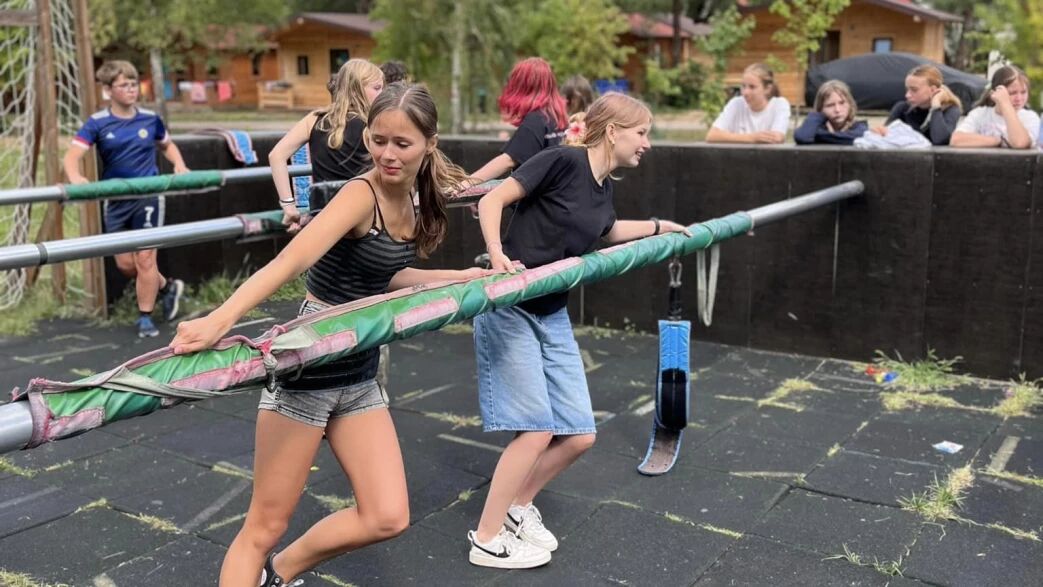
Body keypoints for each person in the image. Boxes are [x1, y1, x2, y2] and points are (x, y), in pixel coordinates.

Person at [170, 83, 490, 587]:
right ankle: (260, 567)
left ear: (429, 144)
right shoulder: (360, 195)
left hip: (359, 371)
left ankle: (278, 574)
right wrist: (220, 320)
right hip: (312, 365)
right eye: (378, 140)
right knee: (264, 526)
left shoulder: (414, 198)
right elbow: (290, 260)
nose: (387, 154)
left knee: (386, 515)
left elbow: (385, 277)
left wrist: (462, 278)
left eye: (401, 144)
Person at [467, 93, 690, 569]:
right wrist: (497, 255)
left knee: (579, 435)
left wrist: (659, 227)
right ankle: (486, 538)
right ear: (612, 131)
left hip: (551, 311)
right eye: (641, 133)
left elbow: (607, 231)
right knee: (536, 431)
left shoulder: (603, 186)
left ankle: (517, 507)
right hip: (511, 307)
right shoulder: (562, 161)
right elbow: (492, 199)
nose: (647, 143)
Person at [63, 60, 187, 338]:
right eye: (124, 85)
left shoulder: (150, 119)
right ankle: (168, 287)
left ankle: (145, 319)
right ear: (108, 90)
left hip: (148, 197)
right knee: (127, 265)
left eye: (134, 84)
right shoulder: (97, 122)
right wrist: (75, 176)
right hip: (116, 200)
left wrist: (179, 165)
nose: (131, 89)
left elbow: (168, 145)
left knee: (145, 259)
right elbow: (72, 156)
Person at [271, 59, 384, 233]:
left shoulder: (315, 118)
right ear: (357, 89)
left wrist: (288, 206)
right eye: (377, 88)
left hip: (322, 218)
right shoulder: (373, 125)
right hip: (362, 220)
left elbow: (276, 155)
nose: (382, 94)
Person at [469, 58, 568, 182]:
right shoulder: (559, 118)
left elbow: (508, 160)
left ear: (521, 86)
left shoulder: (535, 120)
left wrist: (466, 183)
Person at [950, 65, 1039, 150]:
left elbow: (1020, 143)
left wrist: (1006, 105)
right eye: (1012, 93)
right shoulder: (980, 113)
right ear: (996, 93)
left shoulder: (1030, 117)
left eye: (1023, 92)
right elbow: (956, 140)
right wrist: (998, 140)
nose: (1019, 98)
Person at [870, 64, 961, 146]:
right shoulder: (903, 108)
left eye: (914, 90)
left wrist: (936, 105)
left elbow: (940, 140)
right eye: (907, 89)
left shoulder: (950, 109)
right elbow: (885, 136)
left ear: (933, 90)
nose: (907, 95)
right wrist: (879, 131)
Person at [706, 63, 790, 144]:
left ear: (767, 89)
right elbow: (712, 135)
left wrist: (732, 137)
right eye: (743, 86)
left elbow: (777, 138)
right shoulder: (736, 103)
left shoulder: (779, 104)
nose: (745, 92)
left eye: (752, 87)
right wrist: (752, 138)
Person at [794, 80, 868, 145]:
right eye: (830, 105)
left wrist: (820, 137)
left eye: (842, 103)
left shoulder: (859, 128)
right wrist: (816, 116)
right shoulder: (815, 129)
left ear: (850, 104)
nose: (837, 110)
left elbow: (859, 136)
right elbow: (802, 137)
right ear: (821, 108)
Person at [561, 75, 595, 145]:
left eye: (572, 97)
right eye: (568, 98)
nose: (569, 101)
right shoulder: (562, 120)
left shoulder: (592, 121)